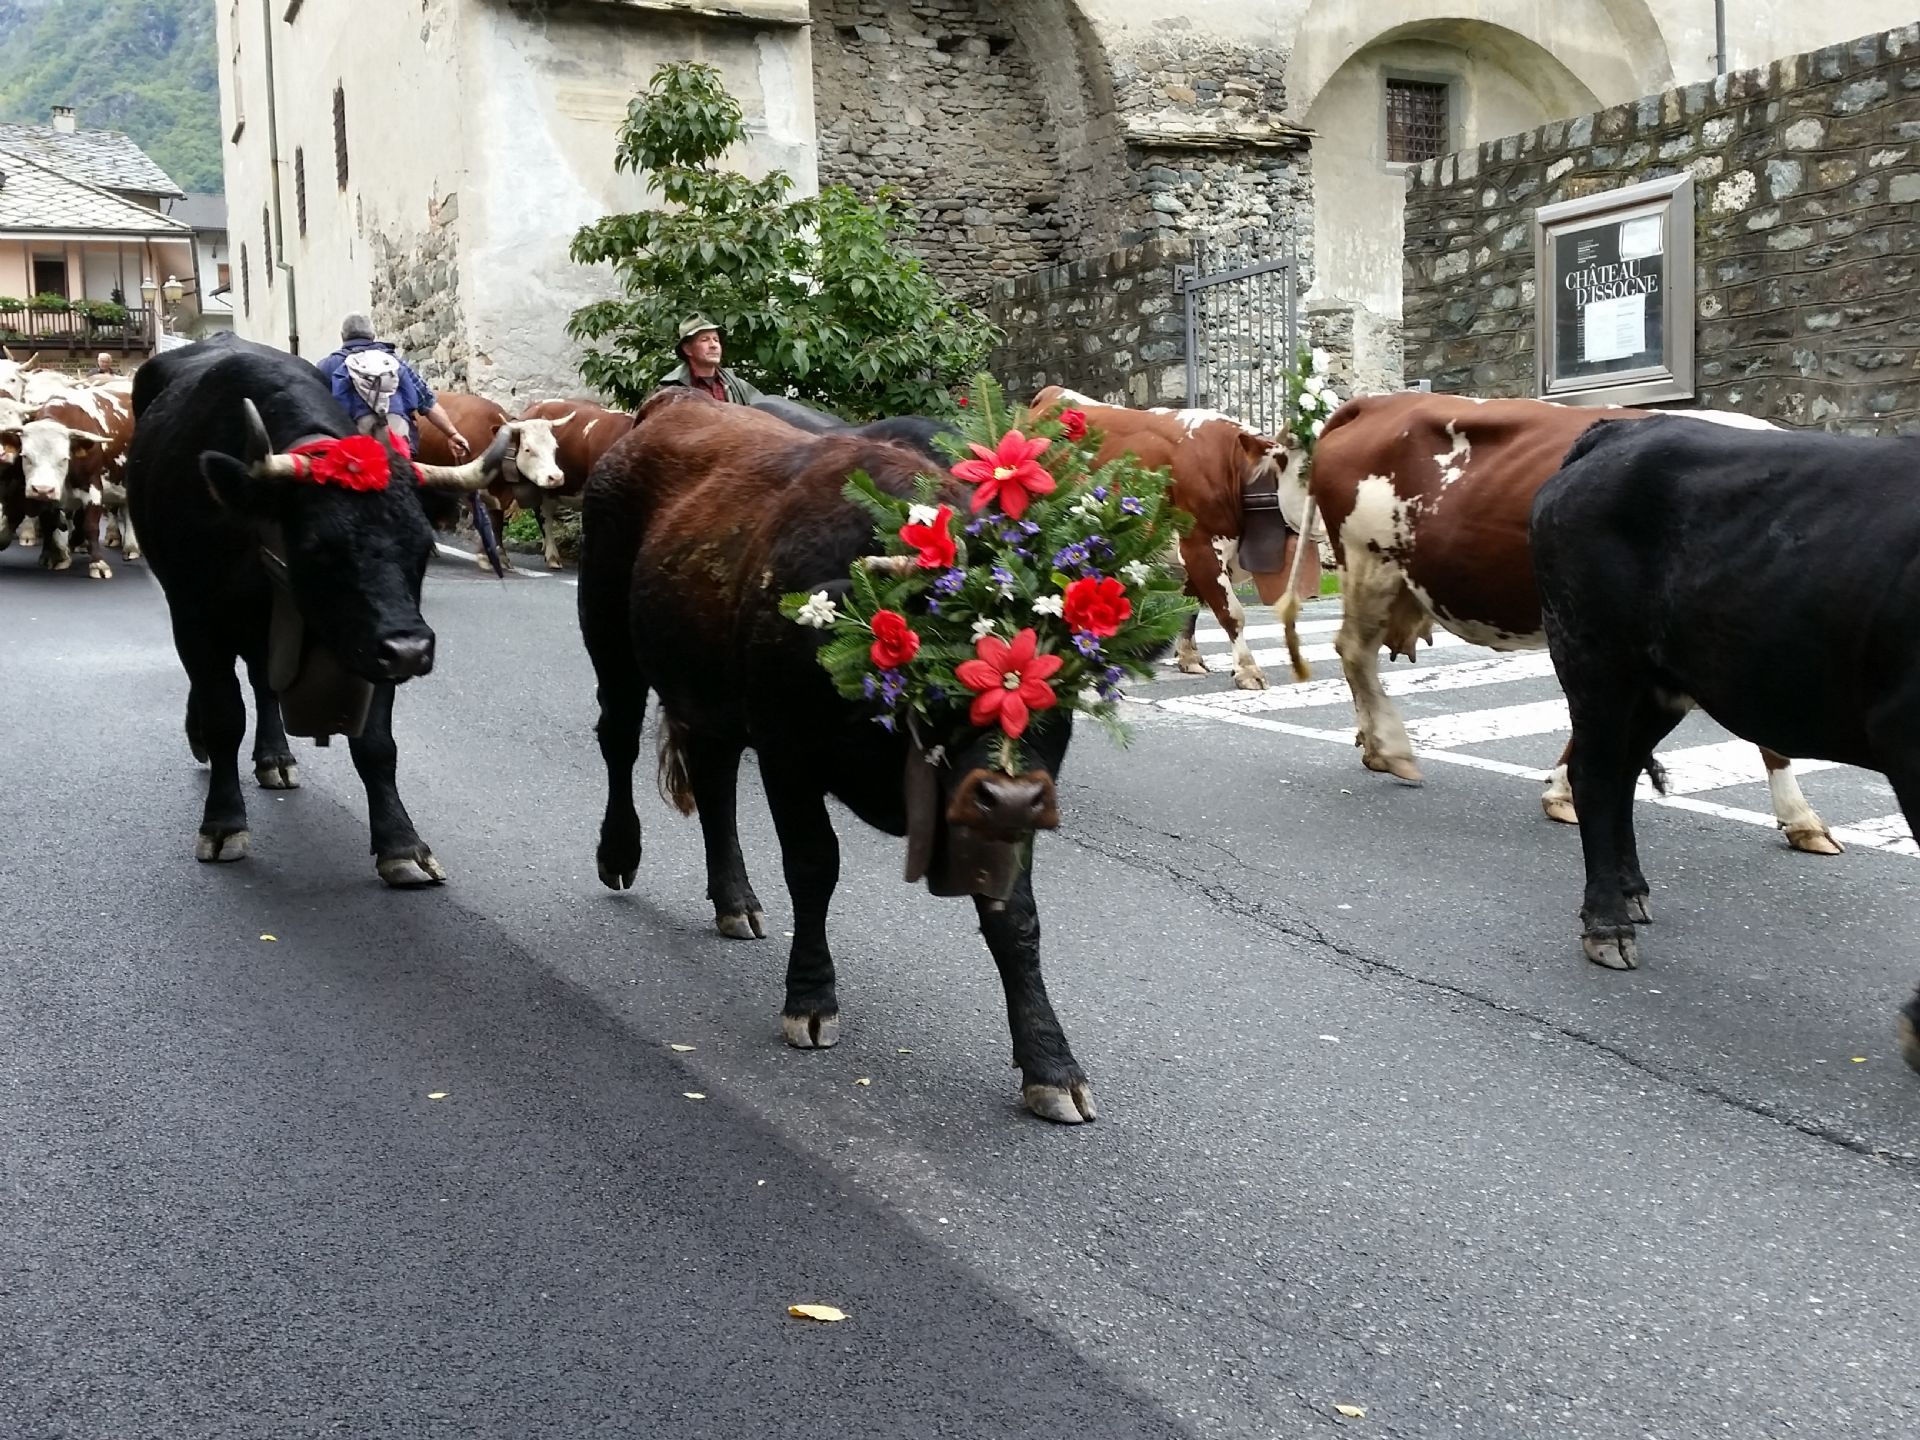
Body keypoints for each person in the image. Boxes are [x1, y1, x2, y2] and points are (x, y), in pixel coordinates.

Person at [314, 313, 469, 459]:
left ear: (342, 336)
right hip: (397, 447)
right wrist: (452, 434)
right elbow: (427, 402)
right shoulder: (393, 362)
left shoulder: (326, 366)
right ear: (372, 335)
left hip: (353, 454)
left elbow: (317, 412)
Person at [654, 316, 763, 405]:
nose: (713, 345)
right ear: (687, 349)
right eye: (705, 340)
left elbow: (765, 407)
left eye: (716, 340)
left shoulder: (735, 384)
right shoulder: (670, 389)